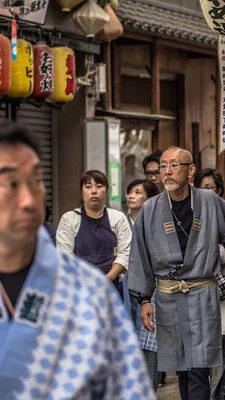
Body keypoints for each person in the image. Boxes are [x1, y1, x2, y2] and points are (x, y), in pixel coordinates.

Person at [0, 124, 154, 398]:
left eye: (35, 180)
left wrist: (106, 278)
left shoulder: (90, 291)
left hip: (111, 283)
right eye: (11, 184)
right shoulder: (70, 220)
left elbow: (128, 387)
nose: (27, 199)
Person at [128, 146, 225, 399]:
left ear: (190, 170)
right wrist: (145, 299)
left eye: (174, 165)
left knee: (199, 365)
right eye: (163, 166)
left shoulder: (209, 200)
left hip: (202, 294)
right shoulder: (150, 210)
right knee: (181, 368)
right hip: (168, 296)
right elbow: (139, 256)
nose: (167, 172)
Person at [194, 168, 225, 400]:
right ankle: (219, 387)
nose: (207, 191)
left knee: (222, 339)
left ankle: (219, 393)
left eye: (211, 187)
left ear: (219, 190)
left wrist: (204, 252)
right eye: (203, 187)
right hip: (198, 289)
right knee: (204, 344)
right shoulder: (191, 214)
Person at [56, 170, 131, 296]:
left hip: (111, 287)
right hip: (79, 287)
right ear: (81, 192)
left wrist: (107, 279)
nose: (94, 191)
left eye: (99, 186)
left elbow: (125, 254)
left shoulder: (118, 218)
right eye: (88, 187)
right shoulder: (69, 218)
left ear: (106, 190)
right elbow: (65, 256)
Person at [123, 178, 161, 391]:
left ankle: (149, 385)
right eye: (130, 191)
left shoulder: (155, 222)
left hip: (151, 284)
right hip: (126, 282)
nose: (131, 196)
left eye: (137, 192)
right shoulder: (121, 222)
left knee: (149, 336)